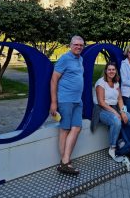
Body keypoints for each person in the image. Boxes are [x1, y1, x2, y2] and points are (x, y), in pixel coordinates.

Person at [95, 63, 130, 159]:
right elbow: (101, 102)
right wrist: (116, 113)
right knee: (116, 121)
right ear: (106, 71)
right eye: (109, 69)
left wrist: (123, 112)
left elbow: (119, 99)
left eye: (113, 69)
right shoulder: (101, 82)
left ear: (116, 71)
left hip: (115, 107)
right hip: (102, 109)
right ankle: (112, 148)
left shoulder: (116, 83)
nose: (111, 71)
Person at [50, 35, 85, 175]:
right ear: (70, 45)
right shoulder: (65, 58)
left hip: (78, 100)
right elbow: (53, 80)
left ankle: (65, 161)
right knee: (64, 129)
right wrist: (53, 102)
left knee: (76, 128)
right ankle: (65, 162)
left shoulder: (80, 59)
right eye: (76, 44)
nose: (78, 47)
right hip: (65, 100)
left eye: (81, 45)